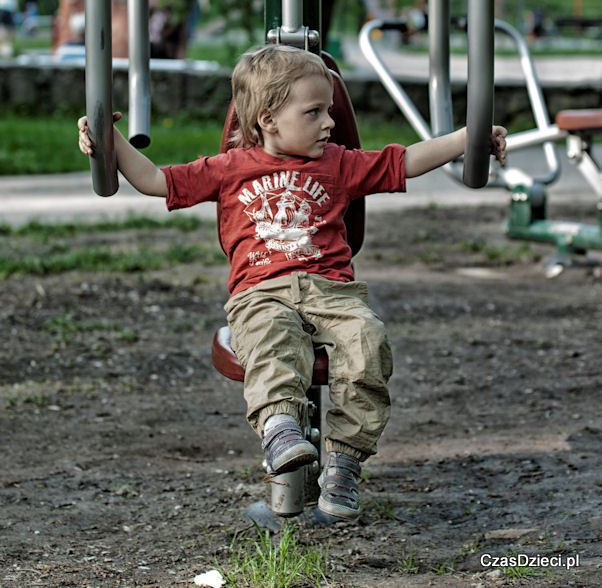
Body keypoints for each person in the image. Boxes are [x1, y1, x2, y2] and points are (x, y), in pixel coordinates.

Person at [77, 44, 506, 521]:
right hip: (260, 293)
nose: (329, 123)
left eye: (329, 111)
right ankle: (281, 430)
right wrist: (108, 136)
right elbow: (156, 180)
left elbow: (404, 161)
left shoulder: (339, 163)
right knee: (270, 339)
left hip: (333, 293)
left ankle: (343, 463)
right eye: (315, 112)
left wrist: (469, 138)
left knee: (368, 340)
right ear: (268, 119)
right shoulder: (230, 169)